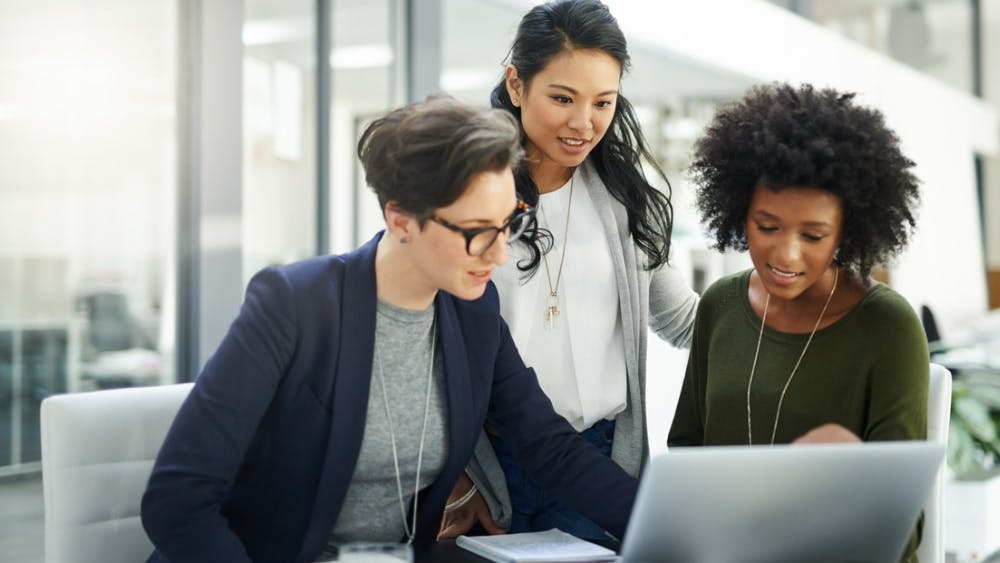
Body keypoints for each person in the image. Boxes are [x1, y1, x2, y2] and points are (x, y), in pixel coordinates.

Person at [139, 96, 638, 563]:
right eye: (477, 231)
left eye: (509, 224)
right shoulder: (294, 305)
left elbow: (548, 446)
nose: (500, 253)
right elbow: (177, 499)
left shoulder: (474, 311)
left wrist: (666, 520)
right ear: (401, 220)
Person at [438, 0, 698, 541]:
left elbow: (685, 322)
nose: (584, 123)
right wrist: (458, 476)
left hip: (598, 463)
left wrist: (788, 304)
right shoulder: (465, 195)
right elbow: (426, 343)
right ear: (516, 85)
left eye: (603, 102)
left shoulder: (629, 203)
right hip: (489, 467)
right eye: (562, 98)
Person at [667, 82, 928, 561]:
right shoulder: (720, 305)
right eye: (766, 227)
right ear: (738, 211)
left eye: (813, 235)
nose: (785, 254)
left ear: (847, 232)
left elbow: (900, 524)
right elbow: (686, 452)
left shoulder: (888, 328)